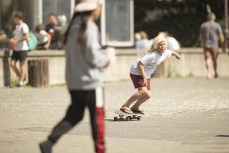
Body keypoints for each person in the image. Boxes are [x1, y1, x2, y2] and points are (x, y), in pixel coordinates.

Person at [39, 0, 114, 153]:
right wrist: (107, 59)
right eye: (99, 6)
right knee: (97, 119)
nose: (100, 10)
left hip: (74, 82)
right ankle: (100, 150)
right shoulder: (90, 26)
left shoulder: (72, 27)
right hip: (91, 83)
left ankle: (49, 142)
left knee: (75, 114)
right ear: (94, 8)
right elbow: (92, 55)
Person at [120, 35, 180, 115]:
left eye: (164, 44)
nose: (162, 47)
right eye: (160, 45)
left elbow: (172, 52)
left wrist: (177, 55)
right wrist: (144, 76)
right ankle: (125, 105)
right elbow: (140, 64)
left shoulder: (165, 53)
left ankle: (135, 107)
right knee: (143, 92)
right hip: (137, 72)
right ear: (156, 46)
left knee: (148, 94)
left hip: (146, 74)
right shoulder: (152, 55)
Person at [199, 12, 224, 79]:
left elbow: (200, 37)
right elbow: (221, 36)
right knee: (215, 59)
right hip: (215, 45)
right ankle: (215, 72)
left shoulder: (203, 25)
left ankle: (208, 73)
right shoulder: (217, 25)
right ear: (214, 18)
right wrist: (223, 44)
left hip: (206, 45)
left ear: (208, 18)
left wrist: (201, 42)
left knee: (208, 59)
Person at [9, 11, 29, 87]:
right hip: (16, 49)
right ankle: (22, 77)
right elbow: (15, 37)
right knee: (12, 64)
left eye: (14, 18)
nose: (13, 20)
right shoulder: (17, 27)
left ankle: (21, 81)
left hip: (23, 49)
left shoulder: (24, 26)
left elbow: (26, 37)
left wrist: (17, 41)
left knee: (22, 65)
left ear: (17, 18)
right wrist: (12, 42)